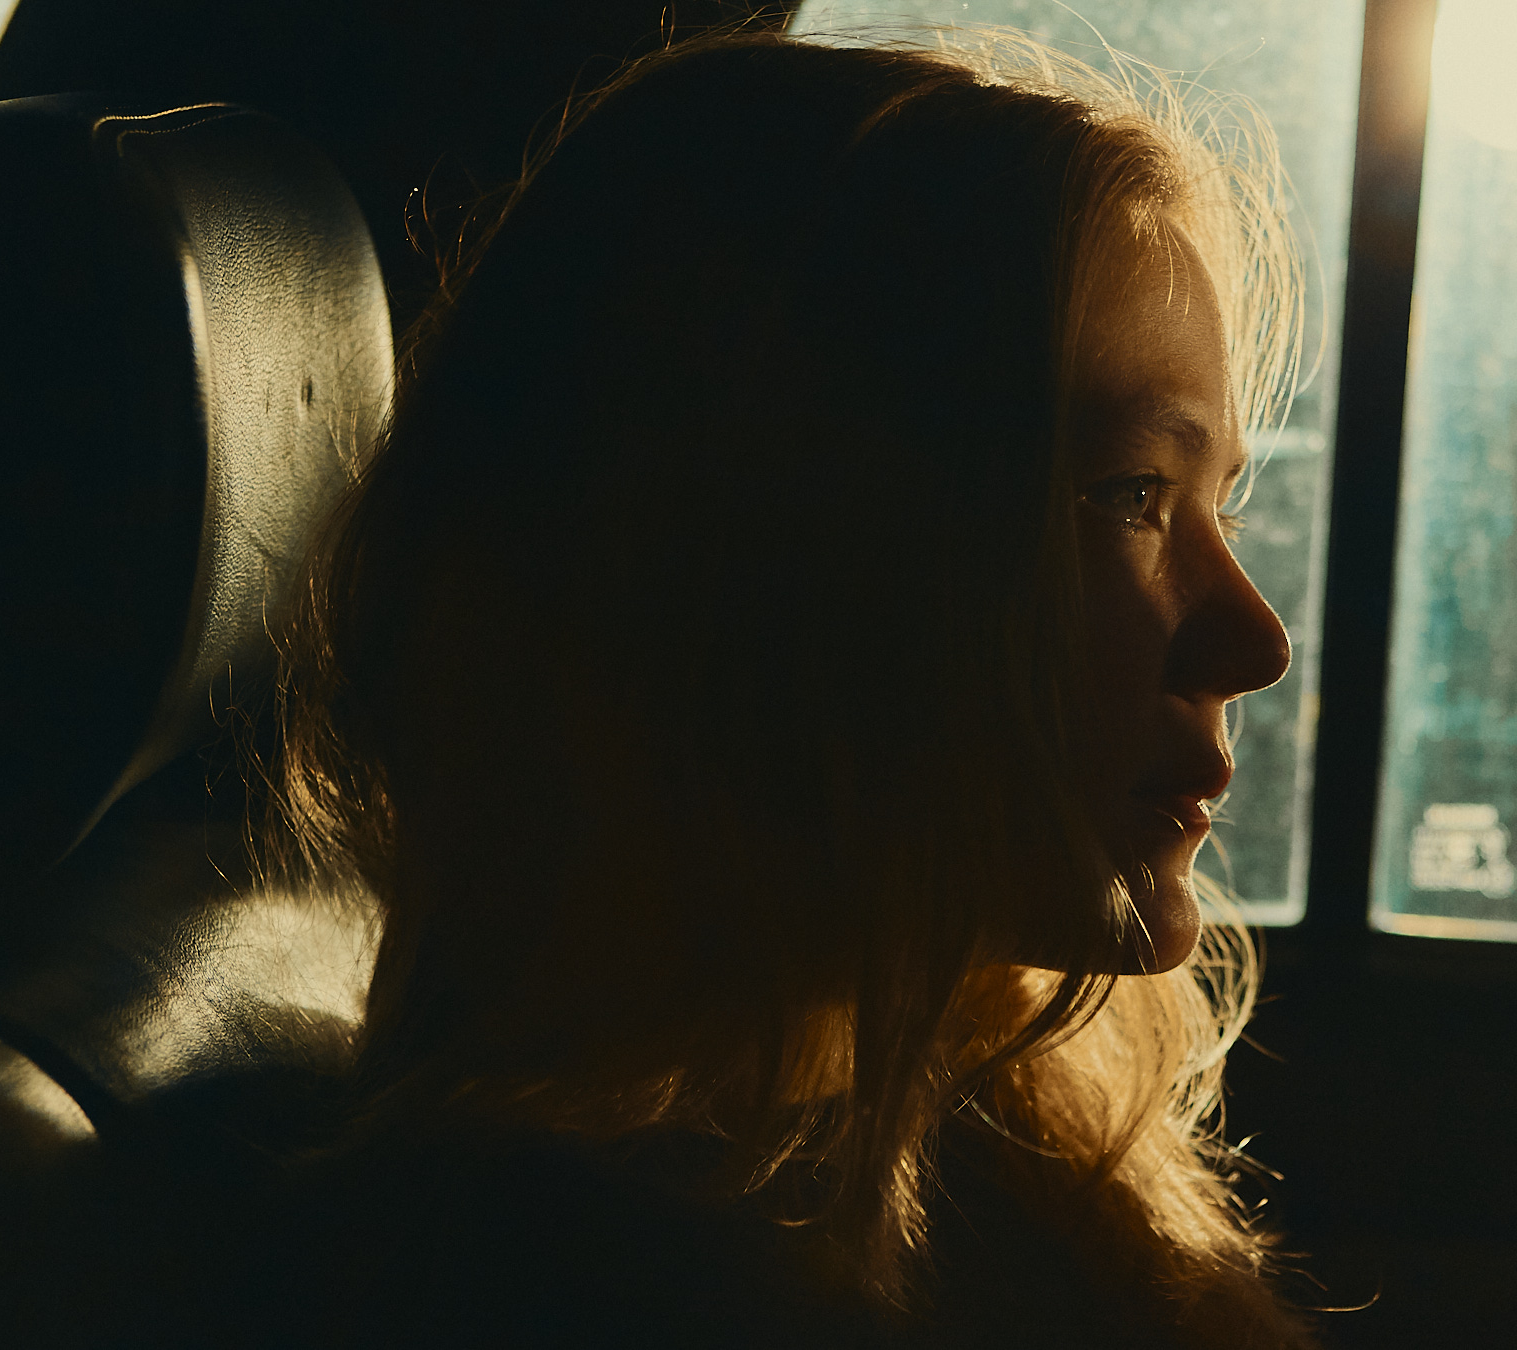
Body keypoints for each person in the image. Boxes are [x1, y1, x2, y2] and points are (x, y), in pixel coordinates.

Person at [265, 27, 1316, 1349]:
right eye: (1128, 496)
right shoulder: (559, 1285)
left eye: (1221, 504)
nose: (1255, 642)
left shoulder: (996, 1133)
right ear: (783, 563)